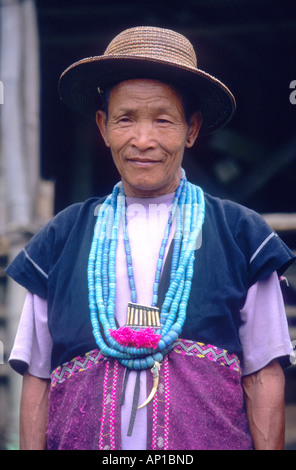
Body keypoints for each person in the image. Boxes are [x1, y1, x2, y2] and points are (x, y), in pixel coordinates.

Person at [6, 26, 295, 451]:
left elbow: (262, 373)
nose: (144, 140)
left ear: (191, 129)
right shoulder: (61, 238)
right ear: (104, 128)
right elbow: (39, 375)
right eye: (126, 119)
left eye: (163, 120)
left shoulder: (241, 235)